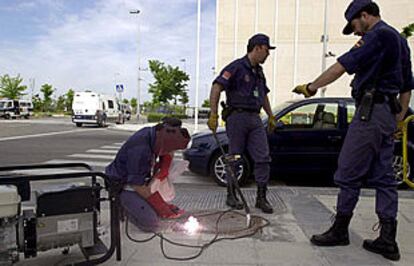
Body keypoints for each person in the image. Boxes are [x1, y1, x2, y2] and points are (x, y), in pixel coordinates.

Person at [292, 0, 413, 261]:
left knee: (348, 171)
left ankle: (340, 230)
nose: (356, 32)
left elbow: (341, 66)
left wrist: (311, 88)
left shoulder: (377, 35)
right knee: (384, 177)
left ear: (365, 15)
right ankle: (388, 240)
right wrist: (399, 118)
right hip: (387, 114)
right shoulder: (400, 40)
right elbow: (407, 85)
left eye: (355, 26)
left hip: (370, 113)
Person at [207, 33, 277, 214]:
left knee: (263, 157)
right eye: (267, 50)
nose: (268, 54)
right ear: (258, 48)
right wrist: (213, 114)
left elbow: (264, 95)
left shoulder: (259, 72)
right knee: (234, 157)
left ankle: (261, 198)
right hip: (237, 117)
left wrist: (270, 116)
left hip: (255, 118)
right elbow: (217, 86)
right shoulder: (236, 67)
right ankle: (231, 195)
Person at [105, 117, 190, 231]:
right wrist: (161, 206)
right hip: (122, 185)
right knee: (151, 222)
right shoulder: (141, 150)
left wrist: (164, 168)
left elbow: (167, 152)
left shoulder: (154, 134)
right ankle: (122, 206)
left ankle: (135, 207)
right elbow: (137, 186)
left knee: (155, 209)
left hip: (138, 182)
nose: (170, 152)